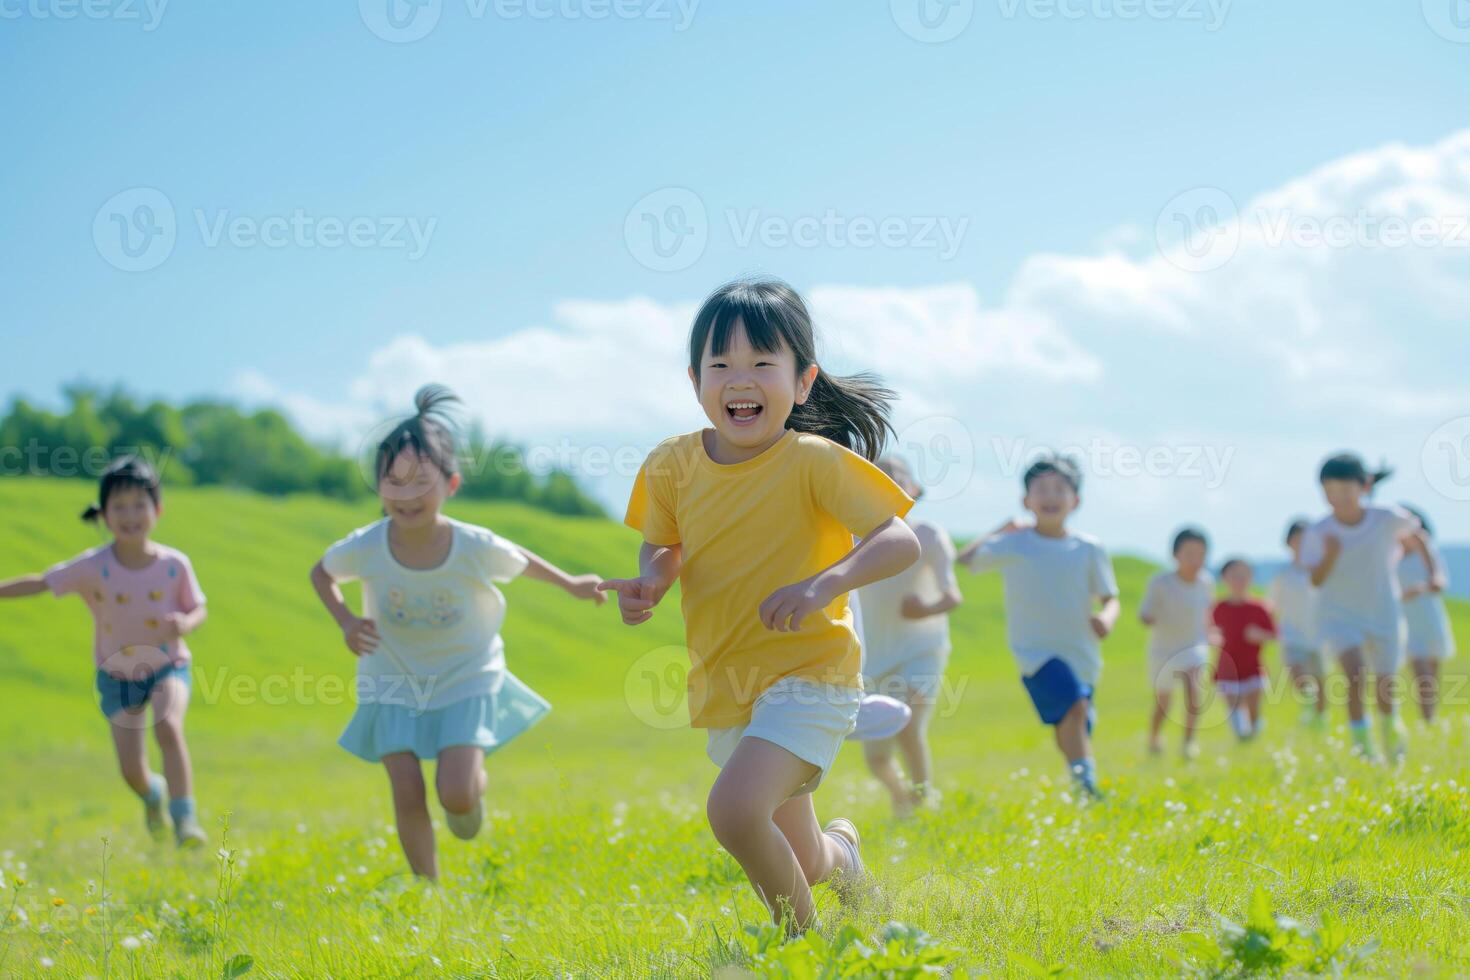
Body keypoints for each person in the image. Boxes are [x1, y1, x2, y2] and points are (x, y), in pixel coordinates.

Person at [601, 278, 920, 932]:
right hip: (730, 685)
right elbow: (663, 547)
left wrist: (824, 585)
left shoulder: (812, 461)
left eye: (760, 364)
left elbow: (899, 540)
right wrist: (650, 585)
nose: (738, 379)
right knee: (803, 857)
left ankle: (803, 952)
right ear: (695, 381)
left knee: (735, 811)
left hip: (813, 675)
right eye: (720, 365)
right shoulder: (671, 466)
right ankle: (846, 856)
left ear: (803, 382)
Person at [310, 385, 606, 879]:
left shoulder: (470, 544)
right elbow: (321, 573)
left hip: (465, 675)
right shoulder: (365, 546)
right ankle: (429, 889)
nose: (407, 495)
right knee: (405, 786)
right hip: (392, 677)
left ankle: (470, 791)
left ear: (451, 484)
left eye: (421, 483)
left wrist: (572, 584)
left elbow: (520, 561)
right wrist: (345, 621)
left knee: (457, 796)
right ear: (379, 486)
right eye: (394, 481)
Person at [0, 456, 209, 846]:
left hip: (168, 665)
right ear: (104, 515)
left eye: (139, 504)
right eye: (119, 506)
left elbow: (199, 606)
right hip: (117, 675)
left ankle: (186, 822)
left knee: (168, 725)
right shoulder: (93, 566)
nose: (130, 515)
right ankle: (153, 795)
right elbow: (42, 582)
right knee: (131, 770)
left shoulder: (174, 564)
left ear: (157, 510)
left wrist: (186, 623)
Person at [956, 454, 1119, 798]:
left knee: (1071, 724)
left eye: (1060, 488)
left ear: (1076, 501)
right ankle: (1087, 787)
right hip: (1035, 652)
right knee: (1074, 708)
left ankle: (1078, 776)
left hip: (1083, 652)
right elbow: (965, 558)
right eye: (1041, 489)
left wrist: (1106, 619)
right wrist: (1002, 528)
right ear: (1026, 501)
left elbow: (1110, 598)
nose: (1050, 496)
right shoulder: (1015, 543)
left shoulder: (1089, 548)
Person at [1300, 454, 1438, 763]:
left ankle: (1391, 730)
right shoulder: (1320, 531)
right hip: (1337, 614)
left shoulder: (1387, 517)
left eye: (1344, 491)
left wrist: (1435, 574)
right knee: (1355, 672)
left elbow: (1418, 539)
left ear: (1364, 486)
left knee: (1385, 683)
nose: (1337, 499)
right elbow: (1315, 580)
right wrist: (1330, 556)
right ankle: (1361, 741)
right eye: (1329, 492)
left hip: (1382, 612)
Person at [856, 456, 962, 816]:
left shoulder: (929, 535)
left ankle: (923, 801)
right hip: (872, 658)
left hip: (922, 648)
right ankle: (902, 799)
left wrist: (926, 609)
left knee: (909, 728)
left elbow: (953, 595)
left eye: (898, 478)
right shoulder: (850, 538)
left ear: (914, 490)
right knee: (877, 758)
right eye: (878, 478)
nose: (889, 483)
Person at [1139, 527, 1213, 760]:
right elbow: (1145, 612)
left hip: (1194, 648)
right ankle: (1154, 738)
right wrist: (1149, 618)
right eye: (1189, 553)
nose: (1195, 559)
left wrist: (1213, 634)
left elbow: (1206, 614)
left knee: (1194, 692)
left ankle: (1189, 744)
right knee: (1164, 704)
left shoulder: (1205, 582)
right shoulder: (1160, 582)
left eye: (1200, 553)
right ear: (1176, 555)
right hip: (1164, 652)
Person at [1397, 504, 1454, 724]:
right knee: (1420, 672)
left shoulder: (1427, 549)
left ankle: (1430, 717)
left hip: (1429, 616)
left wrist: (1421, 588)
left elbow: (1439, 581)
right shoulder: (1391, 553)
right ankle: (1427, 718)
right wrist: (1405, 594)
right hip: (1406, 620)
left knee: (1431, 673)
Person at [1269, 519, 1325, 729]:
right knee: (1296, 672)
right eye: (1297, 540)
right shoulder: (1283, 573)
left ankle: (1320, 720)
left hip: (1319, 634)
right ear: (1289, 542)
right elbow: (1273, 604)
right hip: (1292, 633)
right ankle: (1309, 705)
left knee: (1320, 680)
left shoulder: (1321, 570)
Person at [1212, 558, 1275, 741]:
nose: (1239, 580)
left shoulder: (1259, 607)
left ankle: (1255, 731)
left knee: (1253, 707)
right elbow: (1208, 630)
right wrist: (1214, 637)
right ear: (1224, 578)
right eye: (1234, 575)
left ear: (1251, 578)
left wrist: (1259, 634)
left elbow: (1273, 634)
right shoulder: (1218, 608)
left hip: (1253, 667)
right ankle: (1241, 737)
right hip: (1227, 668)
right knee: (1234, 707)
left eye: (1243, 575)